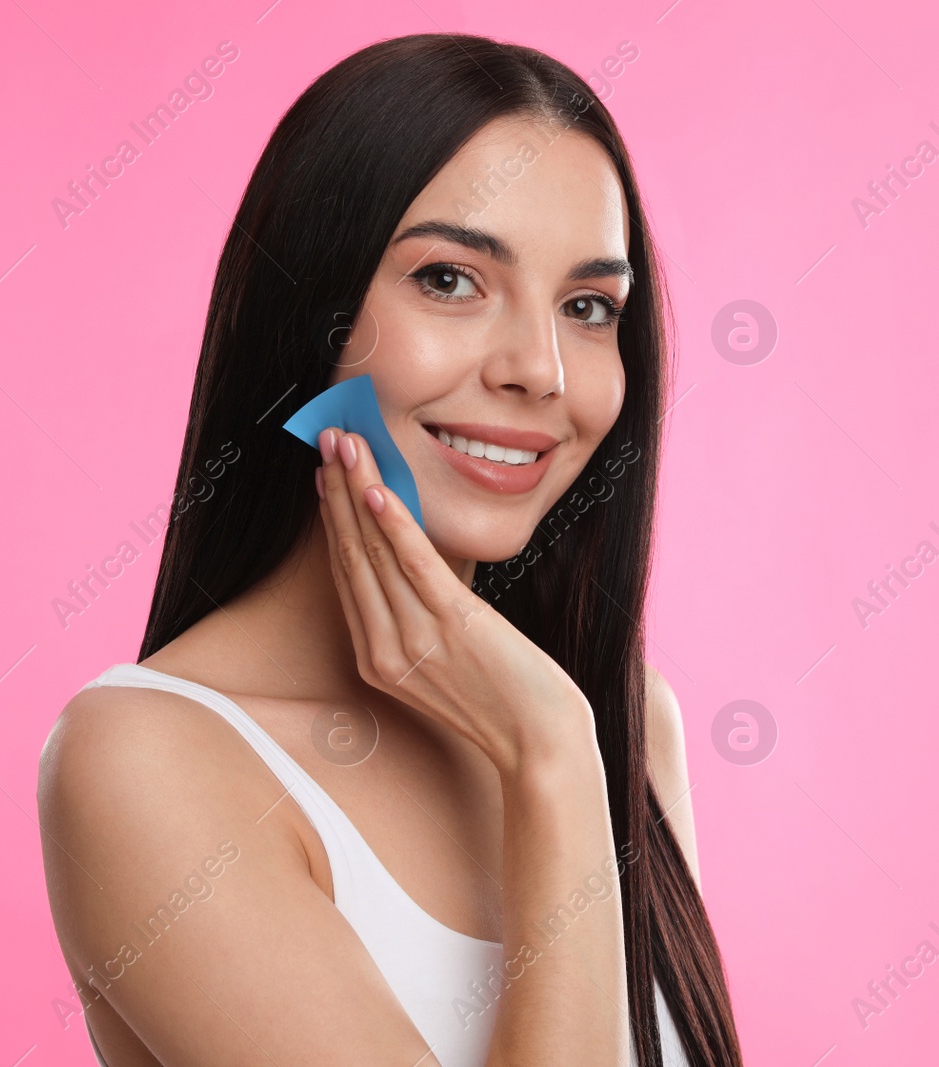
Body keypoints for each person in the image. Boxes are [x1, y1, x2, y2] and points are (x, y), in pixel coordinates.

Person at [37, 32, 742, 1066]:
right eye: (451, 279)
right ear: (308, 315)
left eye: (588, 306)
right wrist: (545, 748)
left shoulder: (635, 725)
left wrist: (556, 734)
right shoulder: (147, 759)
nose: (539, 370)